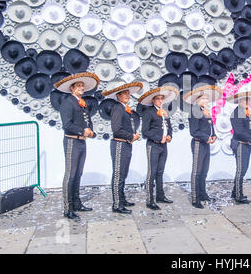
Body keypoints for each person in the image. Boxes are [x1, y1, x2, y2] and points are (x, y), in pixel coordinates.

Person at [54, 72, 100, 220]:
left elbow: (88, 121)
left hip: (82, 141)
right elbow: (67, 125)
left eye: (82, 86)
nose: (81, 87)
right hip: (72, 141)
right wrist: (82, 130)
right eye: (78, 86)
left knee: (78, 173)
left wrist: (90, 131)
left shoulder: (82, 103)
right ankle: (68, 208)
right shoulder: (67, 102)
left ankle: (77, 203)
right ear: (72, 88)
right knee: (70, 174)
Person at [101, 82, 143, 214]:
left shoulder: (125, 108)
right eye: (124, 93)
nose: (127, 95)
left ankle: (122, 198)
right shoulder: (117, 108)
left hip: (126, 143)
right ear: (117, 96)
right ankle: (117, 204)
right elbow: (117, 130)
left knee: (123, 174)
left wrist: (133, 136)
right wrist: (132, 135)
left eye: (128, 93)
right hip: (119, 144)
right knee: (118, 174)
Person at [139, 85, 179, 210]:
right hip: (153, 145)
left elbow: (169, 127)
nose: (160, 101)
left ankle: (160, 196)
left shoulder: (164, 112)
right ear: (153, 100)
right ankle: (150, 200)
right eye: (158, 99)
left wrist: (169, 136)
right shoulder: (148, 112)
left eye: (162, 98)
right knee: (152, 172)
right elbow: (145, 131)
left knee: (160, 172)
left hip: (163, 146)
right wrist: (158, 137)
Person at [183, 85, 223, 209]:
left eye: (207, 99)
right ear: (197, 100)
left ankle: (202, 193)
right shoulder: (194, 111)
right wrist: (206, 138)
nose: (206, 101)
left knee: (204, 171)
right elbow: (194, 131)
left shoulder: (205, 111)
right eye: (203, 99)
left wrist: (214, 135)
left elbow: (210, 127)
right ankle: (195, 198)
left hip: (206, 144)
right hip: (198, 143)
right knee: (197, 171)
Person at [226, 91, 251, 204]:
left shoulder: (247, 112)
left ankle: (234, 192)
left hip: (246, 144)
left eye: (248, 100)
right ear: (239, 101)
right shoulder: (237, 113)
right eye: (244, 100)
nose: (247, 102)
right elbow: (239, 132)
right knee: (241, 170)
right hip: (240, 144)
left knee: (243, 169)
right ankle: (238, 195)